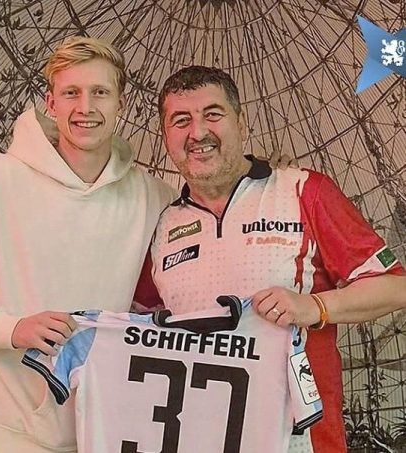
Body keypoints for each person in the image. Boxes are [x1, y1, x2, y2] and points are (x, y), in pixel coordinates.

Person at [0, 37, 176, 452]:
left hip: (94, 437)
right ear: (51, 103)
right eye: (71, 93)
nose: (85, 107)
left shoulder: (154, 198)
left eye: (100, 92)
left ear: (121, 104)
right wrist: (10, 329)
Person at [144, 65, 406, 452]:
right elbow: (136, 325)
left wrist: (314, 307)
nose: (198, 133)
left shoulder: (303, 190)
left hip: (300, 442)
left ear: (242, 124)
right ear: (166, 137)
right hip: (199, 439)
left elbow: (395, 286)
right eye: (181, 121)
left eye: (213, 114)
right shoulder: (162, 224)